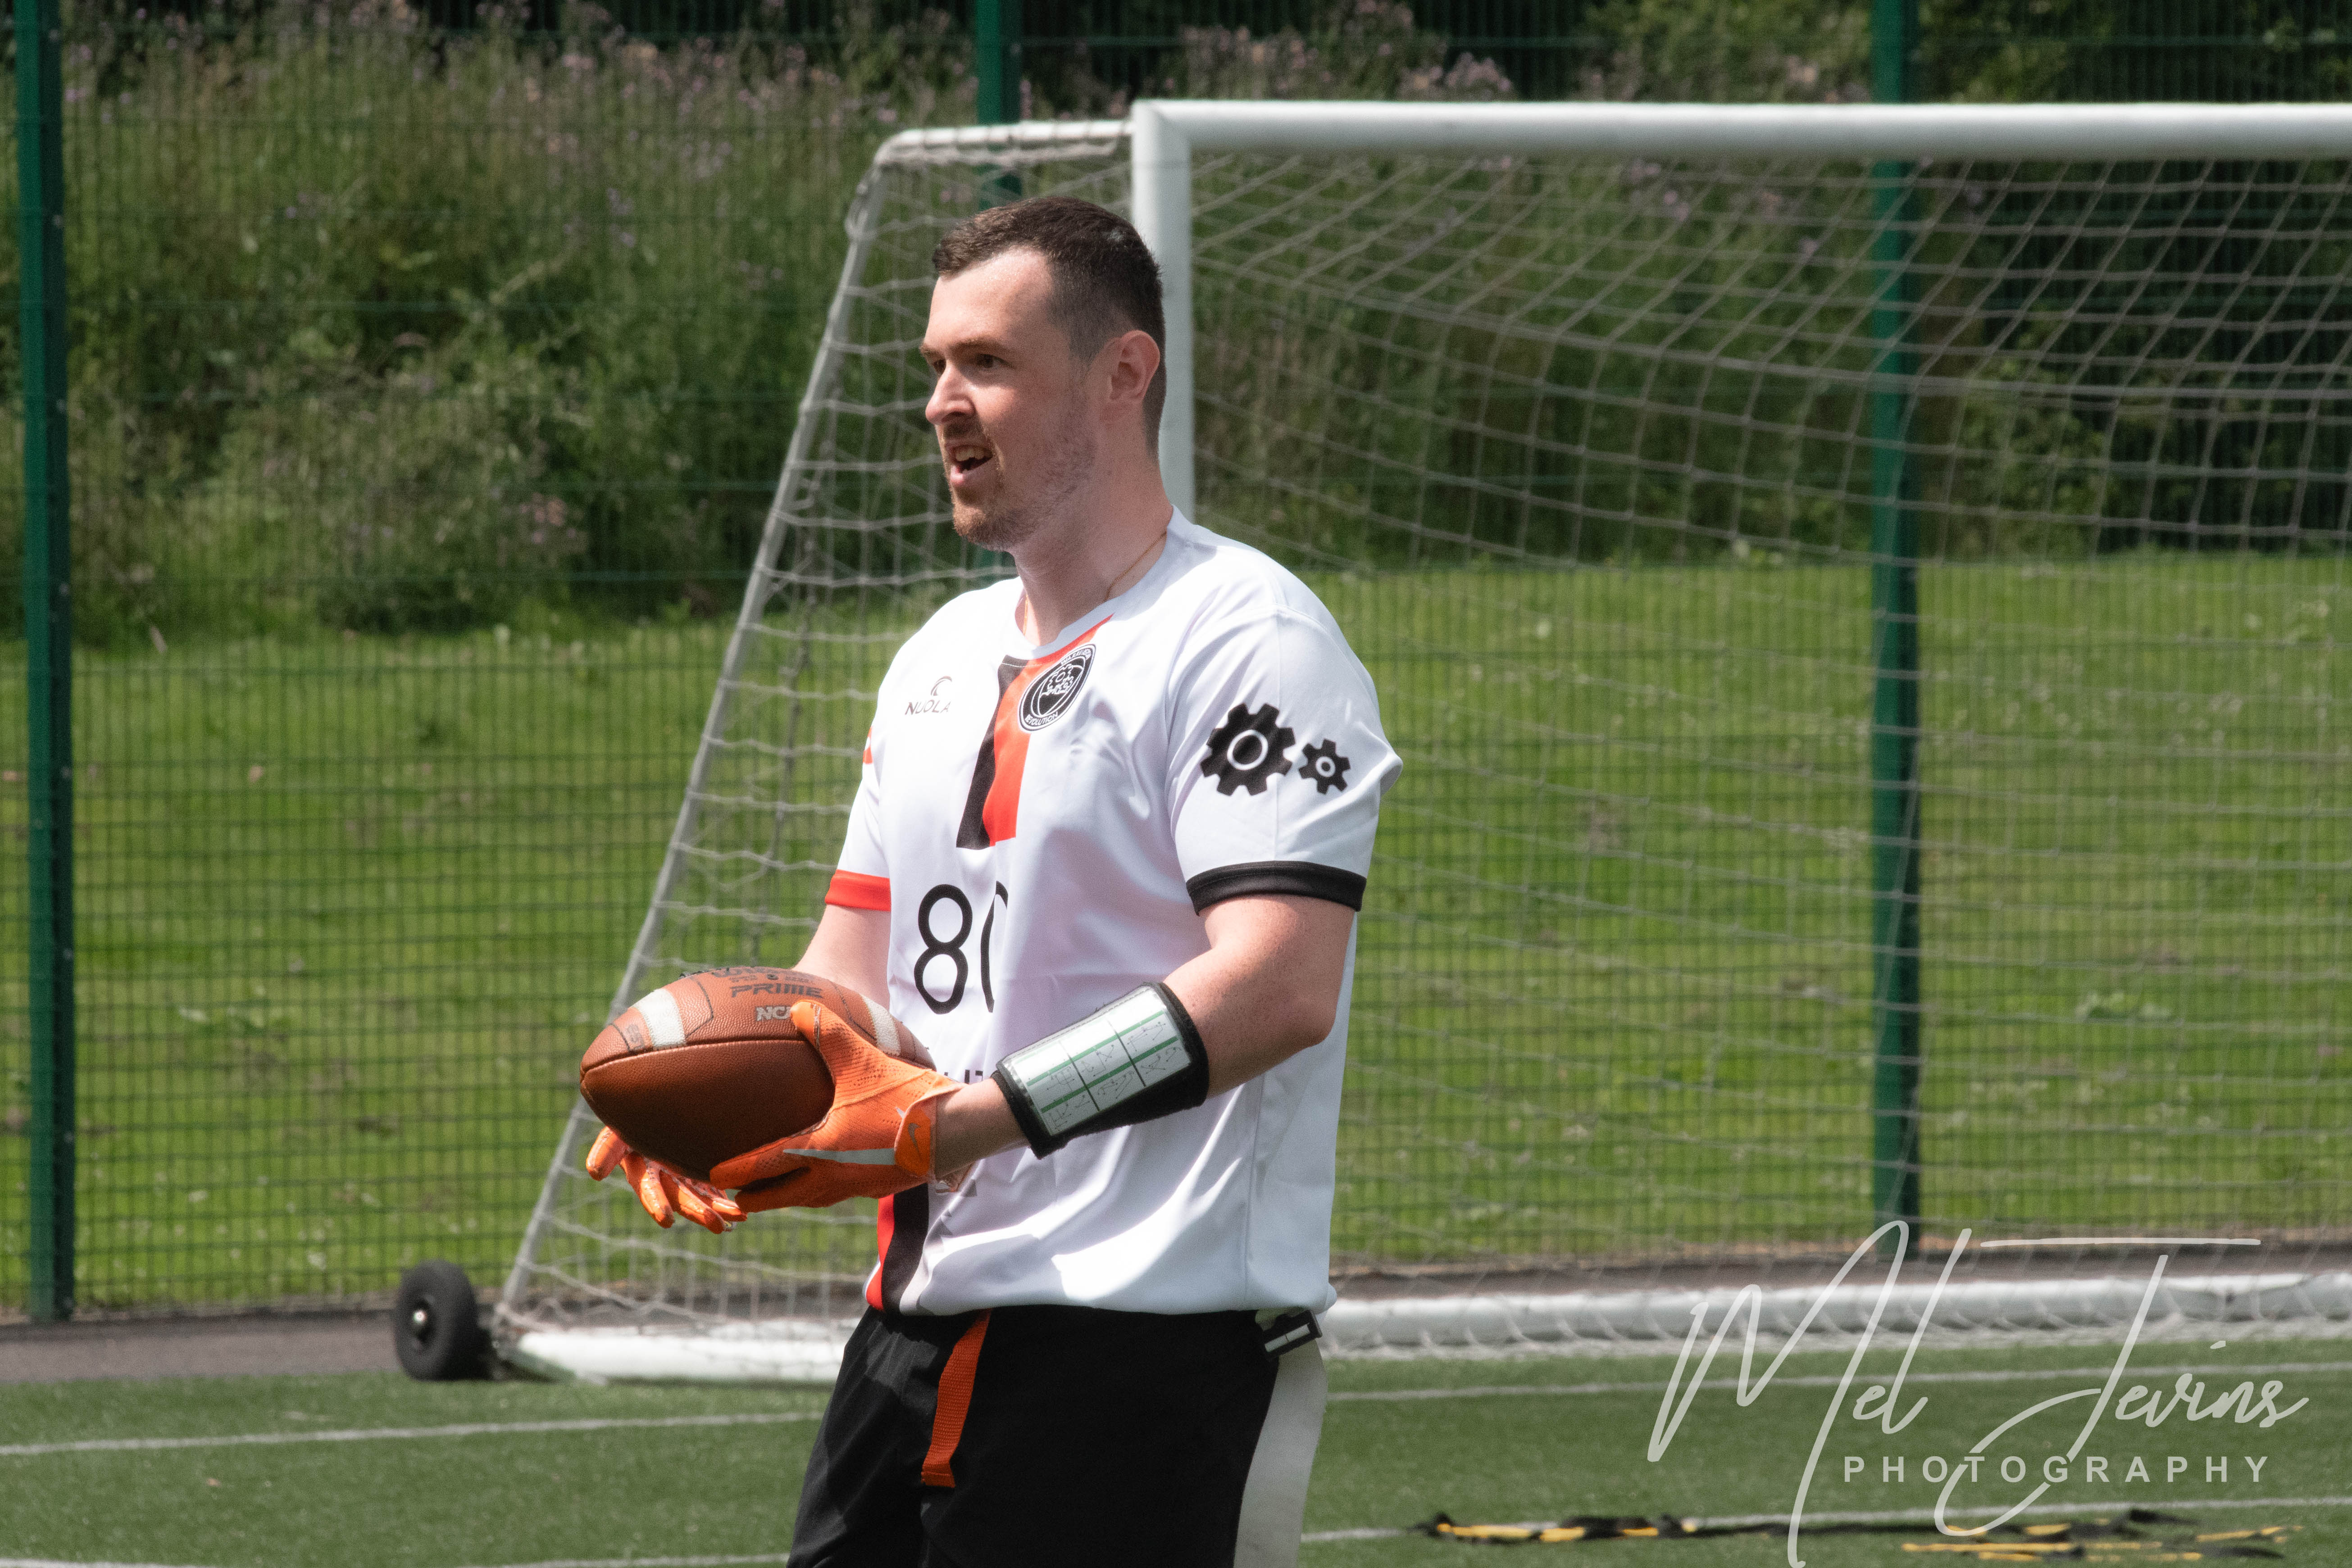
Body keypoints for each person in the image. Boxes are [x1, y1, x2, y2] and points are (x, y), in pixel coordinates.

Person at [589, 195, 1399, 1568]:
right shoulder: (937, 659)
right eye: (934, 366)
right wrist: (734, 1094)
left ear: (1124, 373)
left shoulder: (1250, 638)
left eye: (988, 363)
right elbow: (854, 984)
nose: (941, 404)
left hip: (1144, 1354)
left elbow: (1277, 984)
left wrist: (962, 1123)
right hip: (911, 1337)